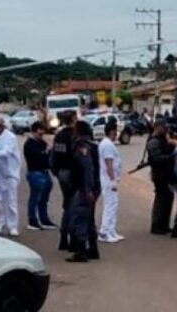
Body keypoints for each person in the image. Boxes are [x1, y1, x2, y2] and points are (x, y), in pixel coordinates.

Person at [66, 121, 100, 262]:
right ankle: (93, 248)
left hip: (84, 188)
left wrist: (88, 189)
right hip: (90, 187)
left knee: (80, 217)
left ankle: (81, 251)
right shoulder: (92, 145)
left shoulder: (82, 147)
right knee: (89, 218)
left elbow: (87, 168)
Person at [0, 113, 21, 237]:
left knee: (11, 200)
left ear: (1, 125)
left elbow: (6, 152)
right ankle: (0, 222)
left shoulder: (10, 137)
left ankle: (12, 226)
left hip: (9, 173)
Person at [51, 111, 78, 251]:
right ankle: (73, 238)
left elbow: (54, 156)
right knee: (74, 206)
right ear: (73, 119)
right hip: (72, 173)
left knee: (67, 204)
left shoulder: (59, 136)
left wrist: (56, 171)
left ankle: (63, 237)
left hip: (62, 173)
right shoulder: (75, 135)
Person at [23, 121, 56, 231]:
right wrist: (46, 152)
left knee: (44, 199)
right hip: (35, 172)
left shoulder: (42, 143)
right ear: (33, 132)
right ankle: (32, 220)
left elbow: (48, 157)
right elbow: (39, 158)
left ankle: (44, 219)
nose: (41, 135)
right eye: (39, 133)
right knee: (35, 197)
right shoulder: (30, 144)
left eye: (42, 133)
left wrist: (48, 153)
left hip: (45, 172)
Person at [146, 120, 176, 235]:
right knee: (161, 199)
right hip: (159, 174)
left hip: (166, 174)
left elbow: (166, 151)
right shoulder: (154, 141)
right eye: (163, 127)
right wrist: (171, 157)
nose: (166, 129)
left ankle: (164, 224)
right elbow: (156, 159)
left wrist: (171, 146)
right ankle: (157, 225)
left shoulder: (162, 139)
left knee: (168, 198)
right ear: (157, 127)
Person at [98, 118, 124, 243]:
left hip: (109, 178)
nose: (117, 134)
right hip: (108, 179)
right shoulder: (107, 145)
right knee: (110, 205)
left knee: (113, 204)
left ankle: (111, 230)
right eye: (115, 132)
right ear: (111, 132)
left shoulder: (106, 143)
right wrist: (112, 179)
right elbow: (109, 163)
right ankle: (104, 231)